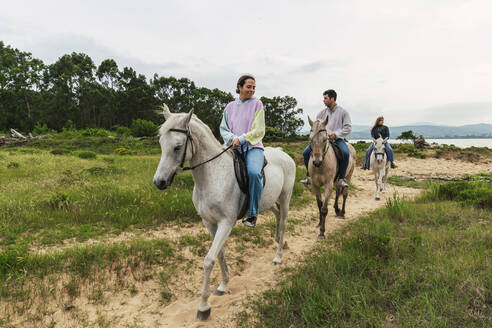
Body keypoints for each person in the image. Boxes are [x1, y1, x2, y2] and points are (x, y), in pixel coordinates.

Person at [220, 75, 265, 227]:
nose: (252, 90)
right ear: (239, 86)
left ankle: (252, 214)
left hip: (252, 147)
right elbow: (223, 128)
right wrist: (233, 138)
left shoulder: (257, 104)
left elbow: (259, 130)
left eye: (253, 87)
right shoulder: (229, 107)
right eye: (248, 87)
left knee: (253, 173)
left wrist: (242, 139)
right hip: (233, 146)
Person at [300, 89, 352, 187]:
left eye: (325, 98)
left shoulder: (343, 112)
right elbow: (316, 128)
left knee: (345, 153)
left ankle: (341, 179)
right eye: (323, 98)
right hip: (321, 141)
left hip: (337, 139)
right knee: (306, 153)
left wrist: (336, 134)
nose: (323, 100)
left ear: (332, 99)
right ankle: (309, 177)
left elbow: (348, 128)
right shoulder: (321, 114)